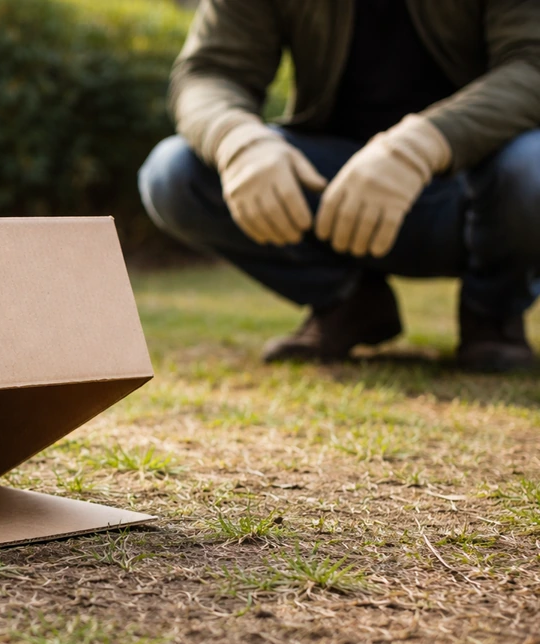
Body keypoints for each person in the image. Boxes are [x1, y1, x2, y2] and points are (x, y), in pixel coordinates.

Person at [138, 0, 540, 371]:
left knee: (532, 167)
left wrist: (422, 145)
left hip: (479, 189)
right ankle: (349, 301)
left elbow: (531, 63)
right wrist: (239, 140)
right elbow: (210, 72)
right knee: (174, 173)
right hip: (327, 191)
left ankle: (493, 313)